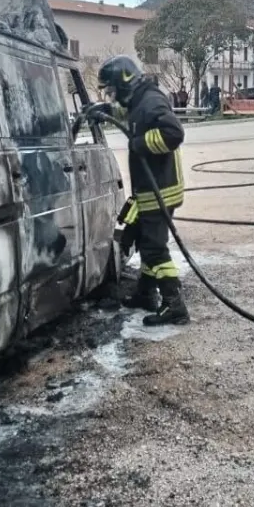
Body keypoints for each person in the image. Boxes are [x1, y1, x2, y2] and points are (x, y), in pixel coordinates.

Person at [82, 55, 189, 326]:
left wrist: (140, 144)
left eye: (113, 90)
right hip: (150, 188)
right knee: (143, 239)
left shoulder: (151, 101)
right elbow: (128, 115)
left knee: (154, 248)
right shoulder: (139, 100)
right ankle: (145, 294)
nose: (112, 95)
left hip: (160, 189)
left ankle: (174, 303)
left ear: (125, 83)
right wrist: (104, 109)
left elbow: (174, 134)